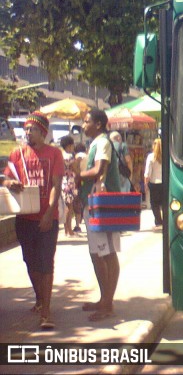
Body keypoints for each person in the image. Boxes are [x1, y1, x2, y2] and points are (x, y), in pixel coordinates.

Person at [2, 111, 64, 330]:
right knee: (30, 262)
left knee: (47, 264)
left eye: (33, 129)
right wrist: (10, 184)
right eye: (27, 129)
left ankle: (46, 312)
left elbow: (56, 184)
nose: (28, 133)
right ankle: (40, 298)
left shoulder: (54, 154)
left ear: (43, 132)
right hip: (24, 217)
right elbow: (7, 176)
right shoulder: (17, 154)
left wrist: (49, 213)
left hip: (48, 218)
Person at [76, 109, 122, 321]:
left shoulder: (103, 142)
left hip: (103, 206)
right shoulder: (95, 142)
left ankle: (108, 304)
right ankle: (104, 299)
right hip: (93, 205)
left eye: (87, 121)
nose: (83, 125)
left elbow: (98, 170)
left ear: (99, 124)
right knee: (97, 254)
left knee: (108, 254)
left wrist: (77, 174)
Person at [59, 136, 79, 237]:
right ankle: (69, 230)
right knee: (69, 207)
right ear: (69, 145)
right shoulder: (69, 156)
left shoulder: (59, 155)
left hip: (62, 181)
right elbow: (75, 169)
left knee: (65, 206)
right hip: (69, 182)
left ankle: (66, 230)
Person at [144, 138, 163, 227]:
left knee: (154, 204)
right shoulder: (166, 156)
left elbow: (147, 173)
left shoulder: (151, 157)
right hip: (164, 183)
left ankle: (158, 221)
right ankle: (165, 221)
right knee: (164, 203)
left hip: (154, 183)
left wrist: (145, 184)